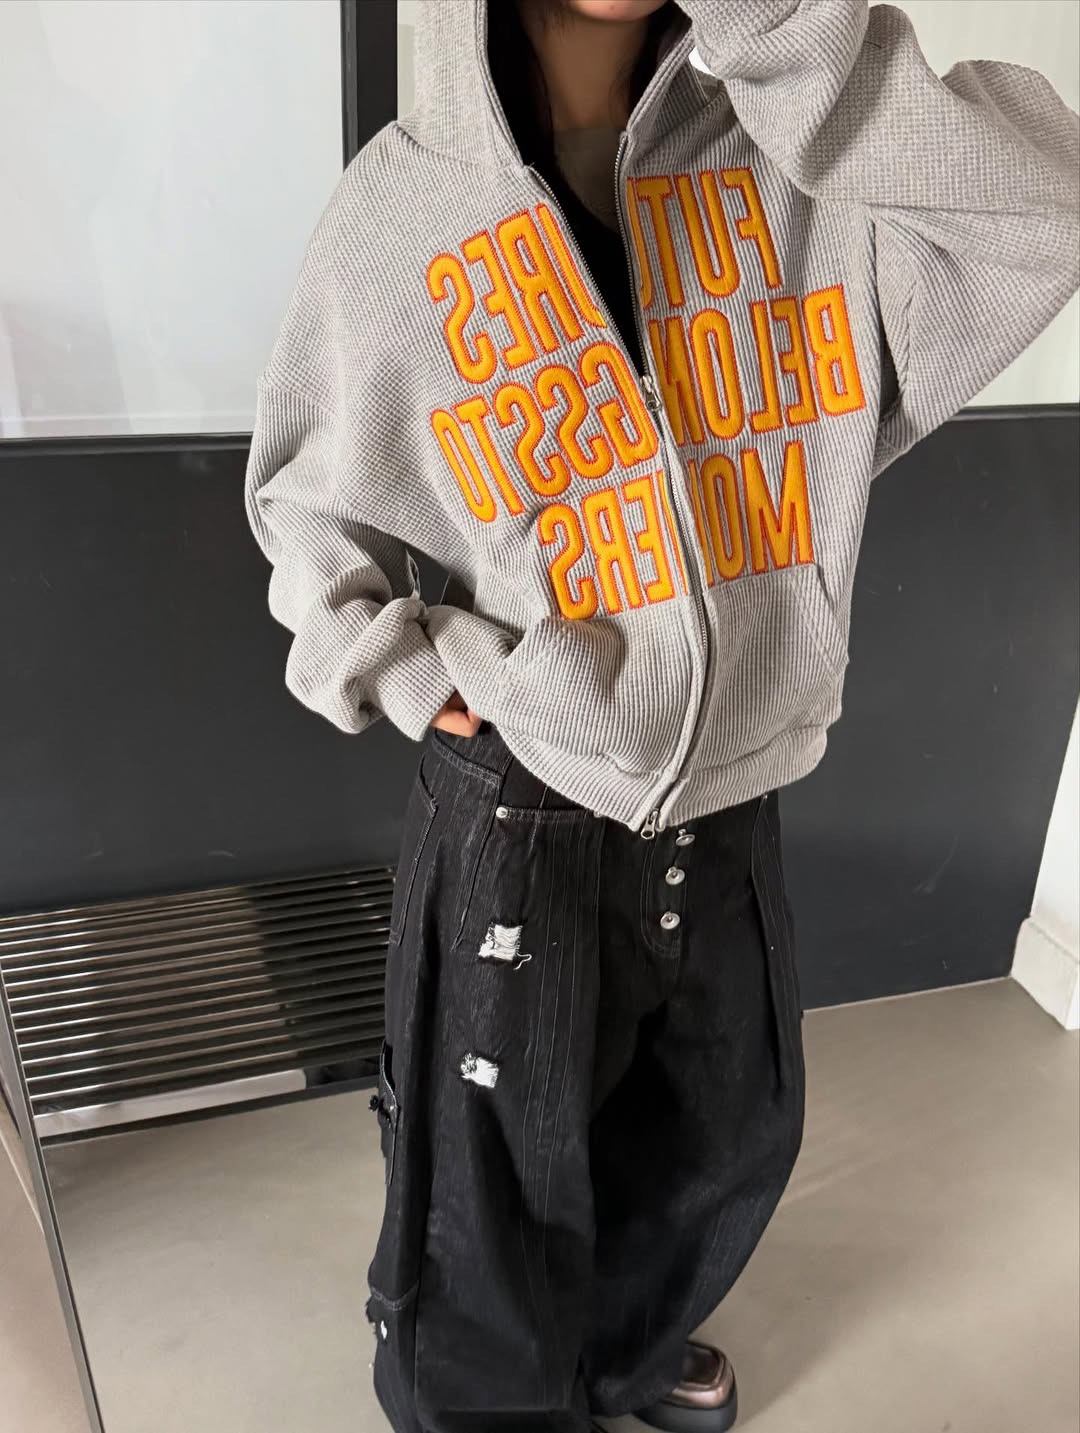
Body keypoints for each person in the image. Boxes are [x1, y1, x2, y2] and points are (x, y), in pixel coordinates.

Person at [244, 1, 1079, 1428]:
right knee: (493, 1176)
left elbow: (1048, 212)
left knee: (716, 1131)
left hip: (733, 770)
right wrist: (410, 672)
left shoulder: (796, 151)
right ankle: (492, 1409)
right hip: (527, 787)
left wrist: (794, 44)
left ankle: (619, 1353)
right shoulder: (406, 201)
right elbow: (304, 505)